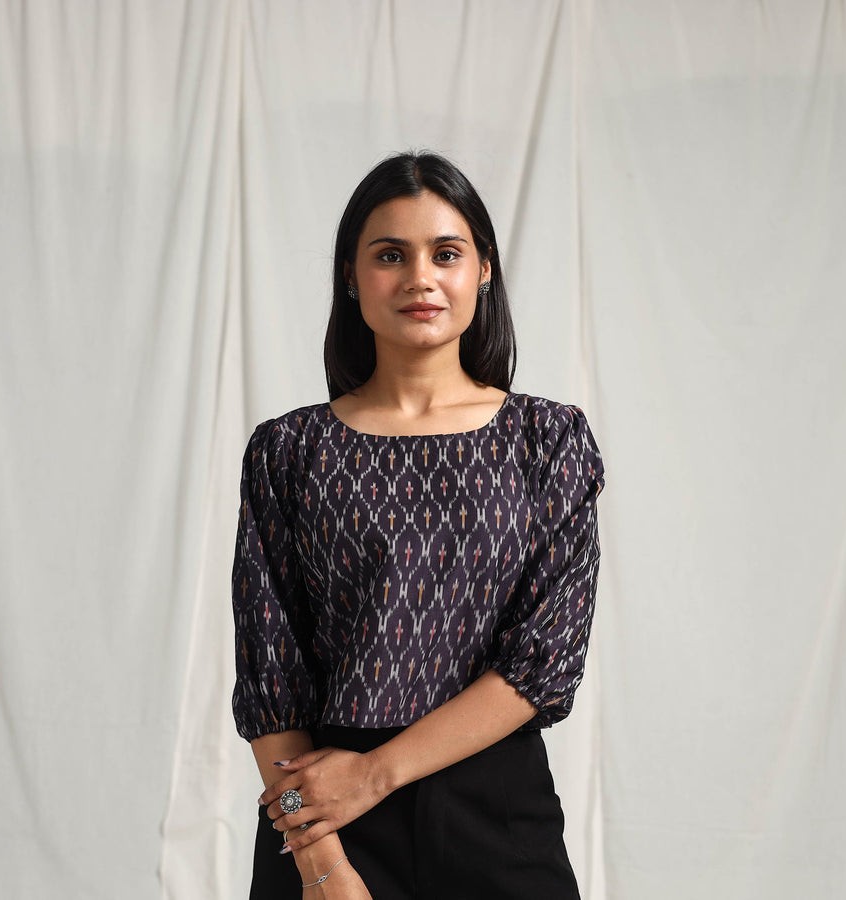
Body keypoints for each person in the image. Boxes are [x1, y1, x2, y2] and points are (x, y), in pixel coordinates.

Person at [231, 151, 605, 898]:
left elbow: (544, 659)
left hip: (495, 811)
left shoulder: (548, 441)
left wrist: (374, 774)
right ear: (350, 275)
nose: (420, 278)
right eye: (389, 255)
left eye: (446, 253)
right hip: (325, 820)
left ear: (484, 270)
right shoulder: (289, 450)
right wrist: (321, 864)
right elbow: (271, 673)